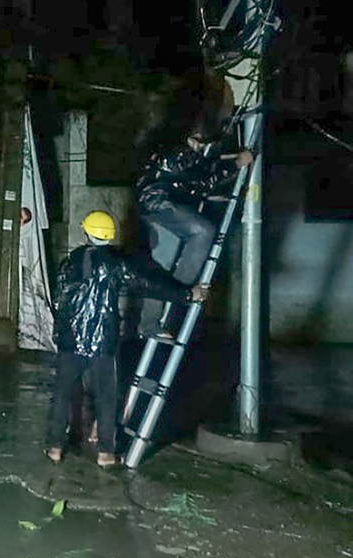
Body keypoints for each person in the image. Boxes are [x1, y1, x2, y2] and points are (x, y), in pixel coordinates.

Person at [47, 211, 207, 468]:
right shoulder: (116, 264)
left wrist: (62, 333)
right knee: (107, 398)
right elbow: (147, 284)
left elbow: (59, 299)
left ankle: (55, 448)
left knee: (62, 394)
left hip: (70, 341)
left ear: (86, 232)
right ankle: (105, 453)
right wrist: (188, 294)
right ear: (109, 236)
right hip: (103, 343)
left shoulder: (70, 262)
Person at [135, 111, 253, 338]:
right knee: (203, 232)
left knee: (162, 265)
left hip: (155, 207)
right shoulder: (179, 153)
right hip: (160, 204)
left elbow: (202, 174)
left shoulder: (174, 150)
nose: (201, 147)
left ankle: (149, 324)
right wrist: (238, 163)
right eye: (199, 142)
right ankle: (183, 292)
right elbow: (203, 183)